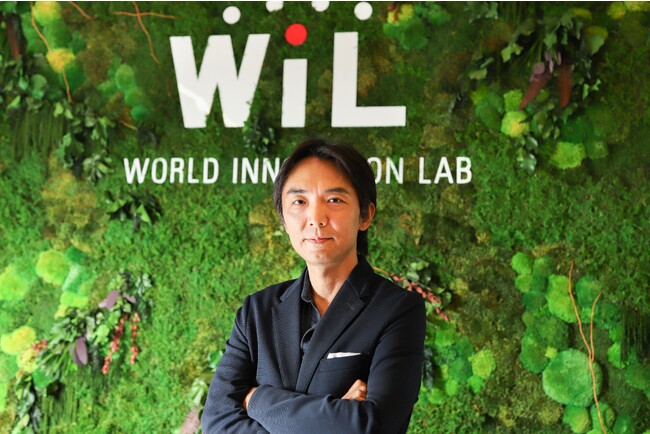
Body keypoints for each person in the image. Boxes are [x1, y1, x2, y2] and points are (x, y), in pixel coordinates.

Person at [201, 139, 426, 434]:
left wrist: (256, 399)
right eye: (300, 202)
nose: (316, 219)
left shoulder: (397, 310)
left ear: (365, 215)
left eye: (334, 200)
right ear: (283, 218)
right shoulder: (256, 311)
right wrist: (336, 415)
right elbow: (217, 422)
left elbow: (373, 425)